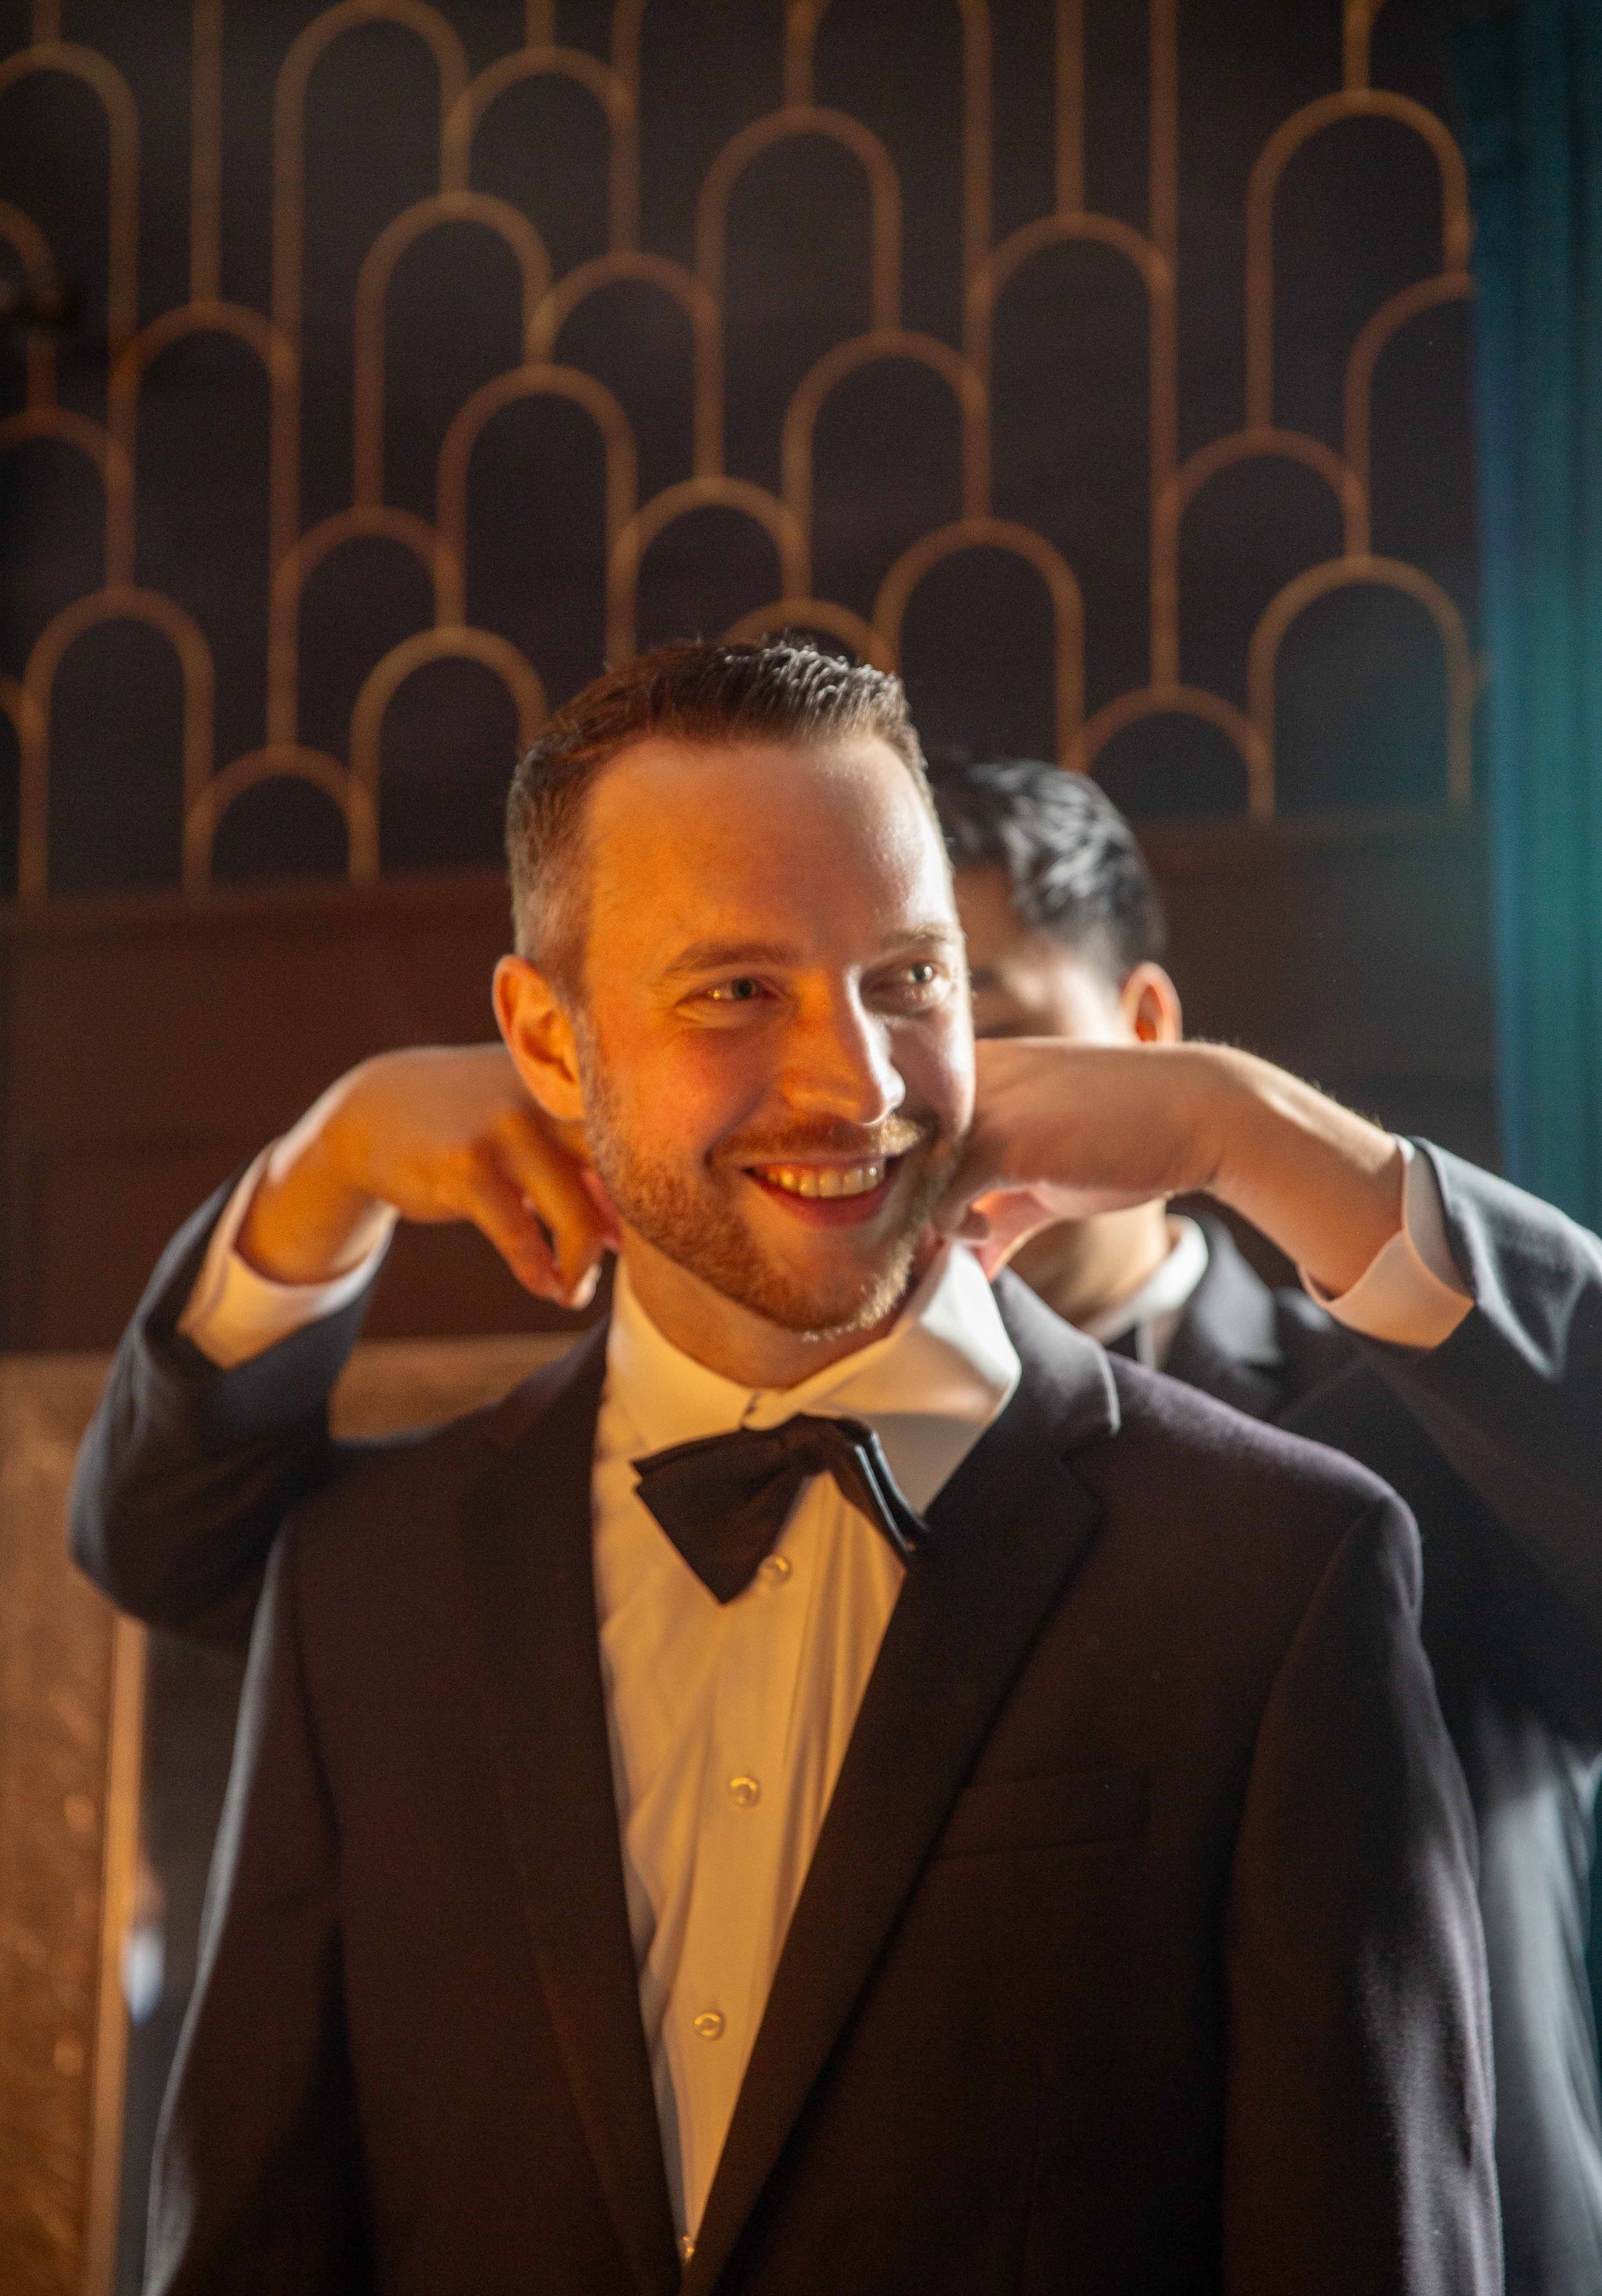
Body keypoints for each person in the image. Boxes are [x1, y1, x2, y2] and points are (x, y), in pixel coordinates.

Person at [72, 642, 1498, 2295]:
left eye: (908, 978)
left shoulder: (1283, 1563)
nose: (861, 1085)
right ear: (547, 1042)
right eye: (736, 990)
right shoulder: (362, 1591)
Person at [931, 751, 1602, 2296]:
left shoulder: (1426, 1410)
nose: (940, 1102)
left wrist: (1249, 1130)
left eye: (991, 1019)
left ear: (1146, 1030)